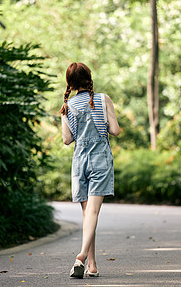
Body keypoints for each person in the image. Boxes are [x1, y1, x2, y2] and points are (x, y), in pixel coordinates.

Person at [60, 62, 120, 278]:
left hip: (80, 161)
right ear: (89, 77)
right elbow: (115, 130)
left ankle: (92, 266)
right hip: (100, 159)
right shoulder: (103, 99)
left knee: (88, 215)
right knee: (93, 213)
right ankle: (82, 256)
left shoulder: (67, 106)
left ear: (70, 83)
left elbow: (67, 139)